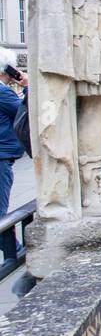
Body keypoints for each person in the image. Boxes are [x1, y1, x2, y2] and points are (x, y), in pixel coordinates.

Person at [0, 57, 26, 226]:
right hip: (1, 156)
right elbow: (26, 113)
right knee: (1, 214)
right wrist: (29, 88)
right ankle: (15, 251)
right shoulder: (3, 93)